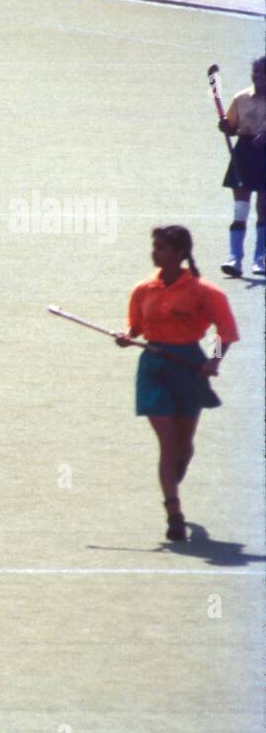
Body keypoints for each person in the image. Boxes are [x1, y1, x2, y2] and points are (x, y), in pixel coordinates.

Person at [114, 226, 238, 542]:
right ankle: (174, 513)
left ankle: (173, 477)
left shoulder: (204, 292)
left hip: (189, 368)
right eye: (154, 247)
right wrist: (127, 335)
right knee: (168, 444)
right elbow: (136, 325)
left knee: (183, 446)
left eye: (163, 248)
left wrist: (214, 360)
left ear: (179, 253)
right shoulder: (144, 290)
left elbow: (226, 330)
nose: (156, 253)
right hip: (153, 368)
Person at [218, 55, 266, 278]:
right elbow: (232, 127)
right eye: (255, 73)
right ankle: (234, 258)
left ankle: (260, 259)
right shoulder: (241, 98)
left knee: (263, 209)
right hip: (244, 152)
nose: (258, 77)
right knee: (240, 209)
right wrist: (226, 127)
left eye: (262, 73)